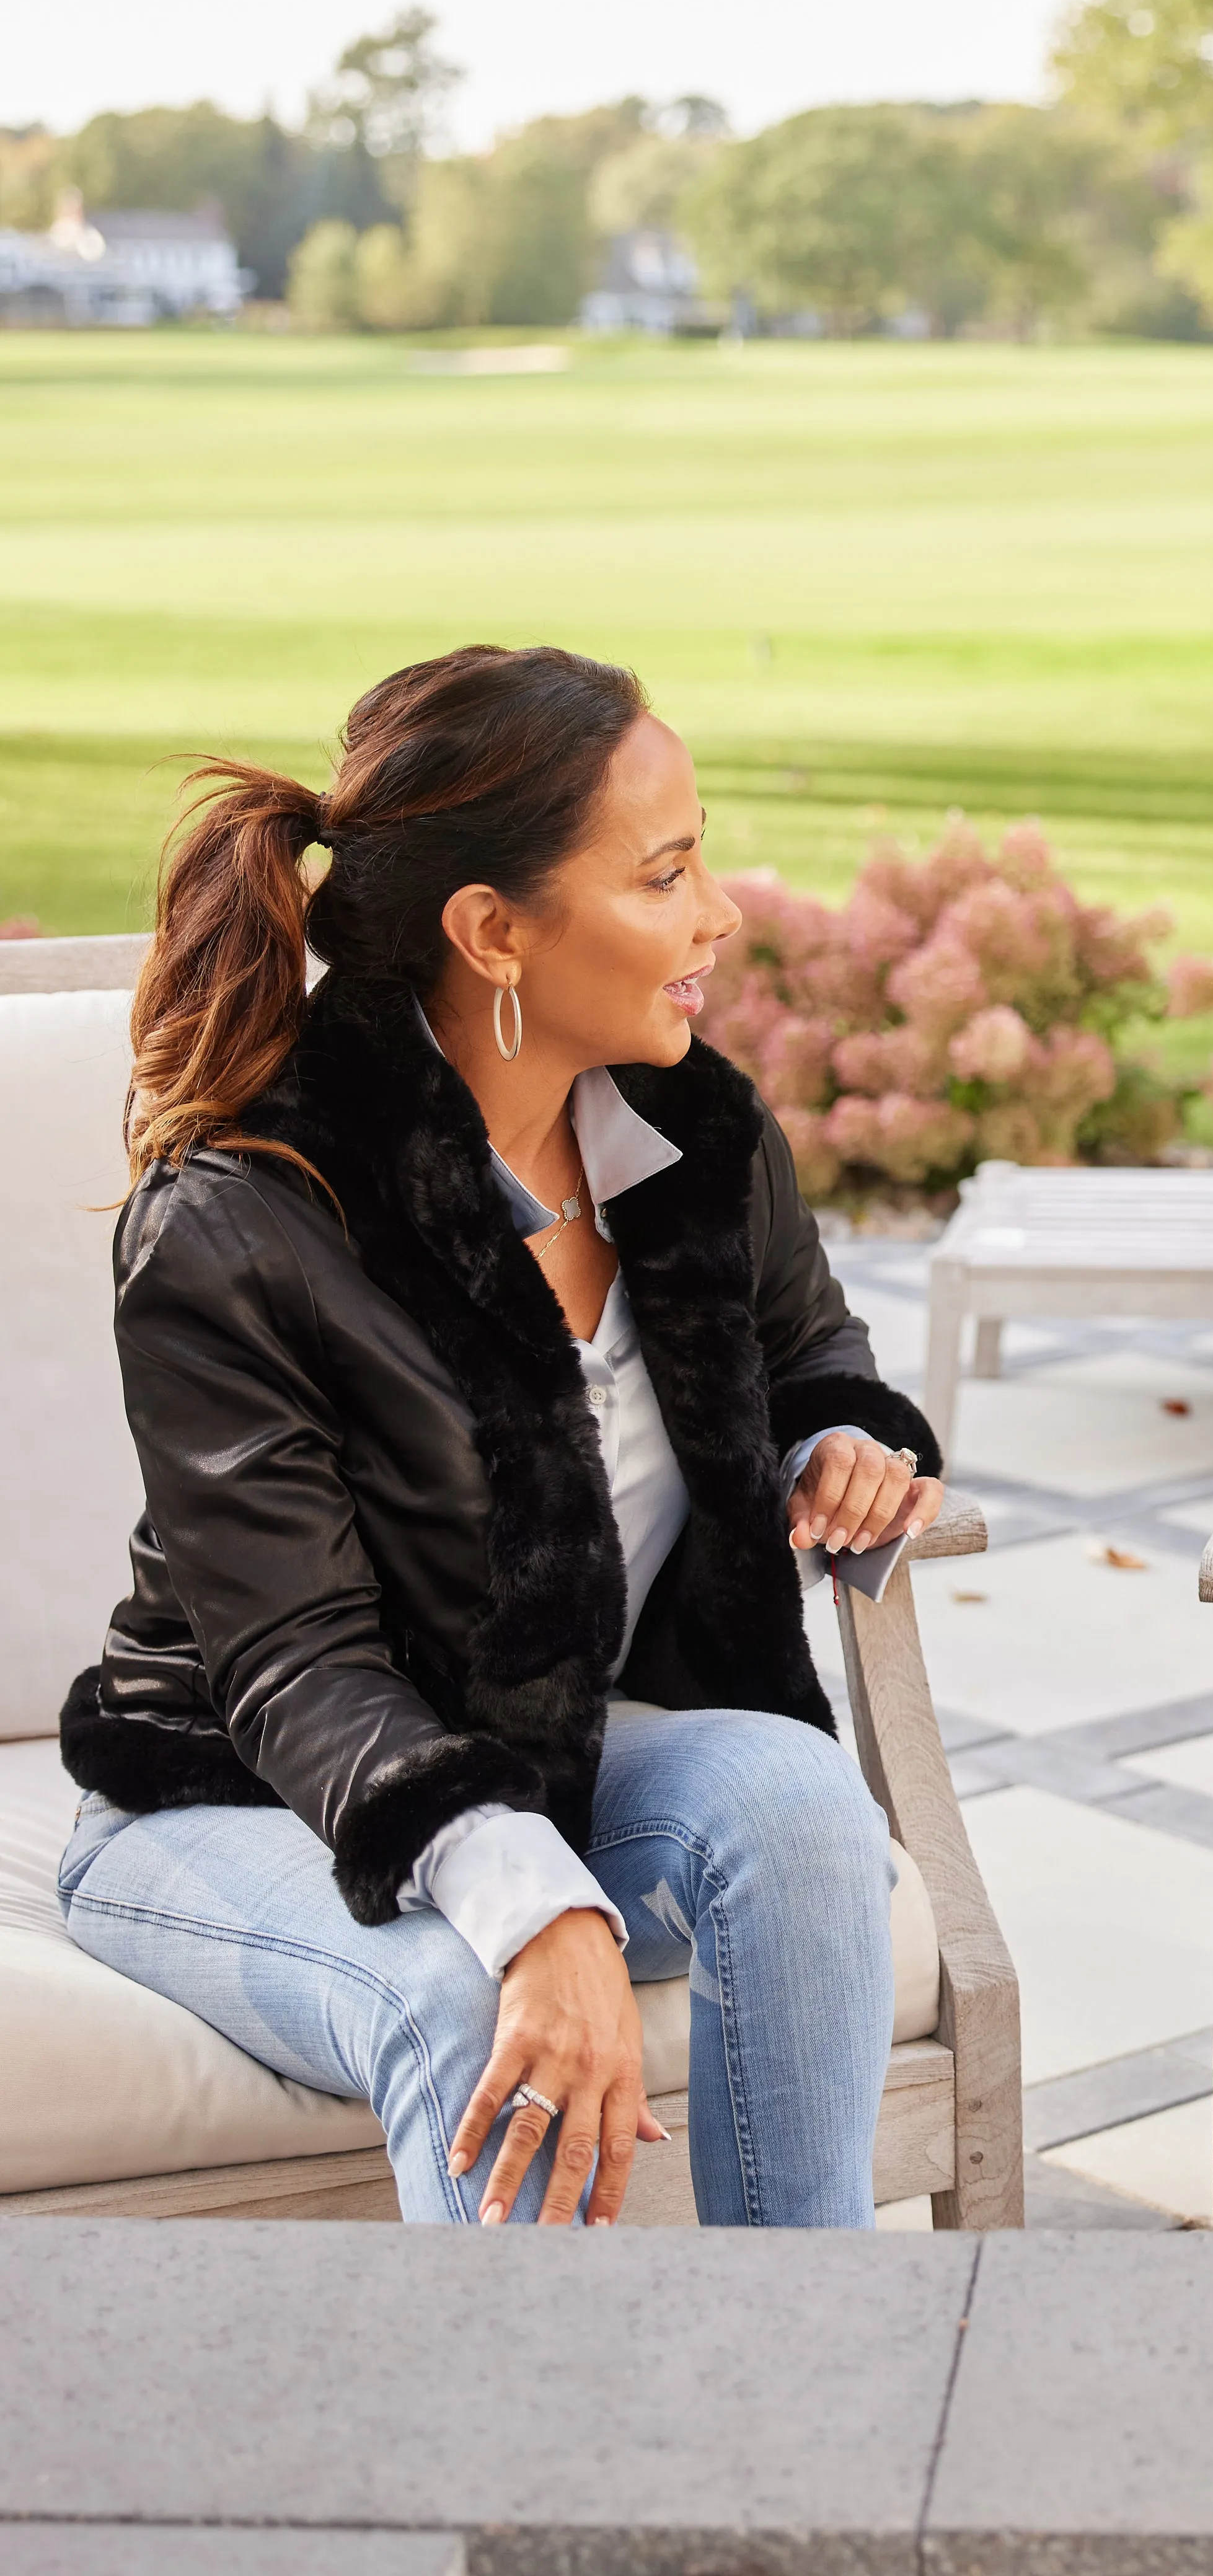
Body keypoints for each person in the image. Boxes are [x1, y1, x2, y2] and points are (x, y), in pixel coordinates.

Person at [56, 642, 943, 2233]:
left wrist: (836, 1434)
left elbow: (808, 1343)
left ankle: (817, 2387)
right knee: (479, 2007)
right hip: (241, 1802)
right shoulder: (243, 1225)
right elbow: (298, 1670)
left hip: (561, 1753)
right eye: (665, 872)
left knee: (805, 1806)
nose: (720, 914)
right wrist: (536, 1908)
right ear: (493, 931)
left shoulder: (694, 1137)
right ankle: (541, 2462)